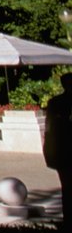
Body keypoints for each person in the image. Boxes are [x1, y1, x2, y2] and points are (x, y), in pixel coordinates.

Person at [44, 73, 72, 221]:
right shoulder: (56, 103)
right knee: (67, 188)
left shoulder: (55, 102)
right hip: (64, 151)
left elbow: (48, 129)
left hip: (63, 151)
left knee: (67, 188)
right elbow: (49, 128)